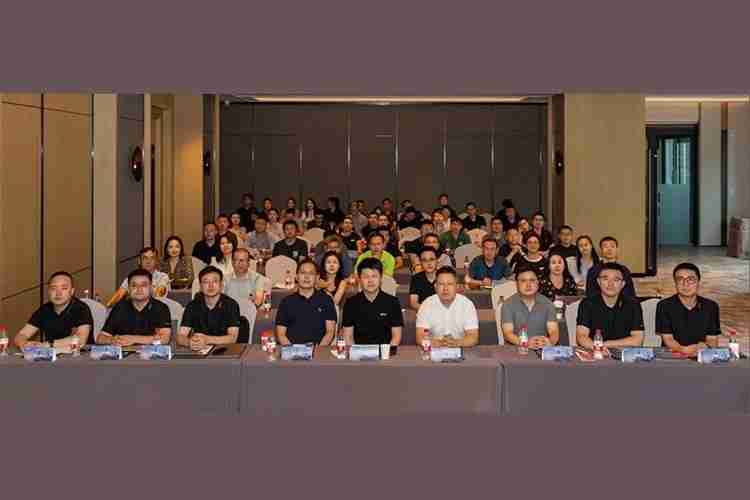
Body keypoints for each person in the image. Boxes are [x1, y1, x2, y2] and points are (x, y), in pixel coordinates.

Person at [14, 271, 93, 349]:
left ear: (72, 291)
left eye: (64, 288)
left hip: (81, 354)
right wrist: (25, 344)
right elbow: (21, 335)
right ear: (49, 291)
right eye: (53, 288)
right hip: (51, 354)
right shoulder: (44, 309)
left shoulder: (81, 308)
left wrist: (49, 344)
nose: (58, 293)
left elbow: (81, 339)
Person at [656, 263, 720, 355]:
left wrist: (704, 347)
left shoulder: (711, 306)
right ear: (675, 283)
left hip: (701, 355)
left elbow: (712, 340)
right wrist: (684, 350)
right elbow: (668, 340)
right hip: (673, 356)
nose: (685, 284)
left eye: (690, 279)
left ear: (698, 282)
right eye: (680, 279)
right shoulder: (664, 306)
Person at [576, 263, 644, 348]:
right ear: (598, 282)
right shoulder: (587, 304)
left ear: (623, 284)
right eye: (605, 279)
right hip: (594, 352)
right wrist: (598, 349)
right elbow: (581, 336)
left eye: (616, 280)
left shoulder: (633, 304)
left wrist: (604, 345)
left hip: (624, 353)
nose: (610, 284)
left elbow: (637, 340)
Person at [97, 269, 172, 346]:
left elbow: (164, 340)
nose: (139, 289)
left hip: (151, 352)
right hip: (123, 352)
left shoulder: (161, 308)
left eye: (144, 285)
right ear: (128, 289)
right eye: (134, 285)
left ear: (151, 287)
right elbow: (100, 338)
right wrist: (112, 340)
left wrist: (131, 339)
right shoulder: (120, 307)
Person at [341, 258, 403, 346]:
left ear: (381, 278)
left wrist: (386, 352)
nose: (370, 281)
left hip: (385, 351)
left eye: (374, 276)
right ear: (359, 279)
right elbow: (348, 337)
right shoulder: (350, 303)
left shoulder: (393, 302)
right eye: (366, 277)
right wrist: (355, 352)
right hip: (359, 351)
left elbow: (396, 337)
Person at [178, 266, 242, 350]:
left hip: (225, 350)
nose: (210, 286)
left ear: (221, 285)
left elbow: (232, 338)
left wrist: (207, 339)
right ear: (200, 286)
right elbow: (181, 336)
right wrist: (190, 343)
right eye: (206, 282)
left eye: (215, 281)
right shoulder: (192, 306)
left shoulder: (231, 305)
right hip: (200, 351)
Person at [275, 259, 337, 345]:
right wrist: (292, 350)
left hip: (319, 349)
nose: (307, 277)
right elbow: (281, 335)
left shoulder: (326, 300)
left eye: (311, 273)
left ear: (317, 278)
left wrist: (318, 350)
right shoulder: (286, 302)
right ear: (296, 277)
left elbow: (330, 332)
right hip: (291, 349)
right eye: (303, 273)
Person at [416, 267, 479, 347]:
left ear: (457, 286)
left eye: (450, 284)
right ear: (435, 287)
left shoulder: (467, 305)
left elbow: (473, 337)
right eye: (441, 284)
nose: (445, 288)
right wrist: (439, 343)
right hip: (434, 349)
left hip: (460, 348)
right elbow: (420, 337)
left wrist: (456, 343)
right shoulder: (426, 304)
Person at [500, 266, 560, 347]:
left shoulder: (548, 303)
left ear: (537, 283)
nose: (528, 285)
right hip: (516, 349)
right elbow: (508, 333)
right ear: (517, 284)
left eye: (532, 280)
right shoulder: (508, 304)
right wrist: (525, 343)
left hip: (541, 348)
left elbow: (554, 332)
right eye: (523, 281)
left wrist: (549, 342)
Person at [106, 247, 171, 307]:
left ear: (156, 261)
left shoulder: (163, 277)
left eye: (152, 258)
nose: (148, 261)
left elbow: (158, 296)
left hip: (157, 310)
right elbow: (119, 295)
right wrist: (109, 305)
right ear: (139, 261)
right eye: (145, 258)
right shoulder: (132, 277)